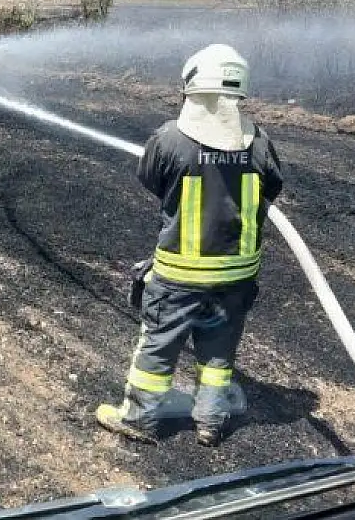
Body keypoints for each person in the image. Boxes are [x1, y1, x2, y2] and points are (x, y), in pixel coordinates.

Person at [96, 43, 284, 447]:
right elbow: (274, 187)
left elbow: (151, 181)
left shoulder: (170, 139)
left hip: (179, 276)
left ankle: (140, 420)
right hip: (238, 278)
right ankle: (211, 421)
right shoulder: (261, 142)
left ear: (191, 87)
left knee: (159, 346)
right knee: (219, 348)